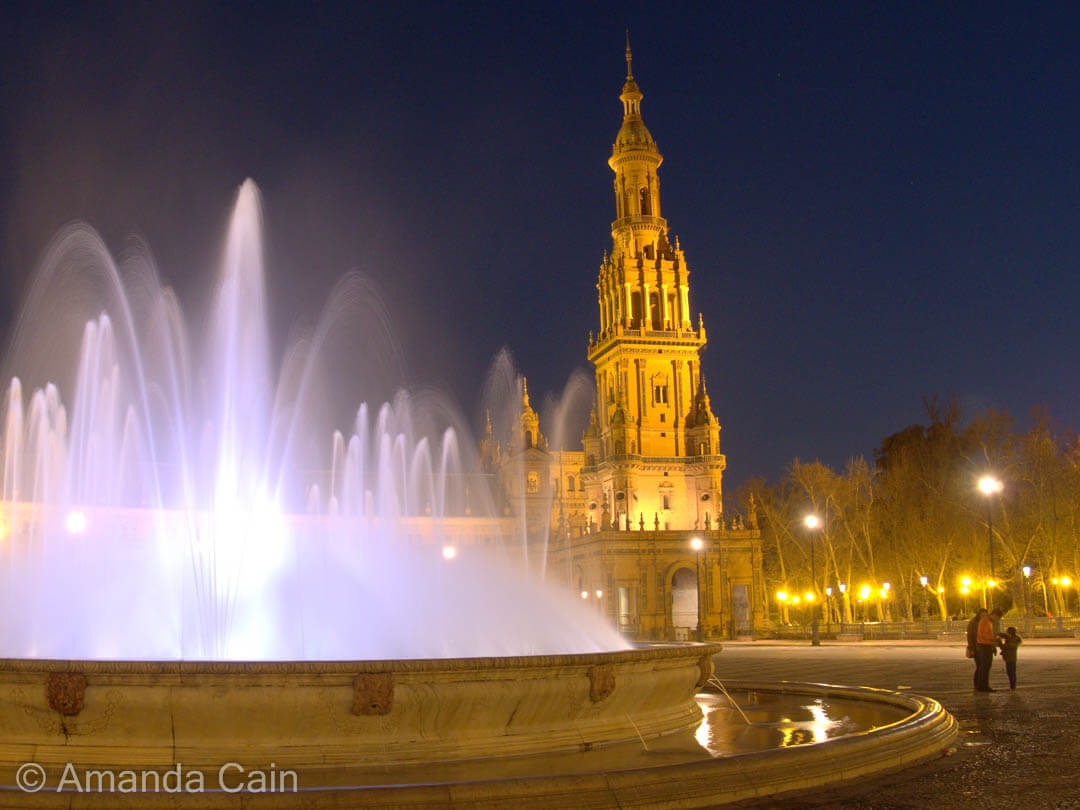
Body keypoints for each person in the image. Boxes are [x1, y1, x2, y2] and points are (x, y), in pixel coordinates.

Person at [974, 609, 998, 692]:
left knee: (984, 667)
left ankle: (981, 685)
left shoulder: (987, 621)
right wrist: (994, 638)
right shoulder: (985, 622)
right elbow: (984, 635)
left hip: (985, 645)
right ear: (994, 615)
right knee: (985, 667)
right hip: (984, 646)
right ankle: (983, 686)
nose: (997, 620)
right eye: (997, 618)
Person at [966, 608, 987, 690]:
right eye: (982, 615)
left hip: (983, 646)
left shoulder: (985, 622)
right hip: (976, 647)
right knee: (979, 666)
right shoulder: (973, 623)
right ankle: (977, 684)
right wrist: (972, 648)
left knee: (983, 666)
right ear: (979, 614)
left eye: (985, 615)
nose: (984, 617)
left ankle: (982, 684)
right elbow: (970, 636)